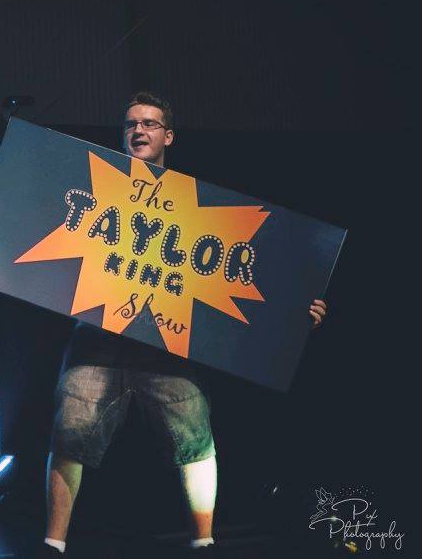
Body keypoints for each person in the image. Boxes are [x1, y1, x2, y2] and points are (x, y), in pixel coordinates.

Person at [38, 92, 328, 556]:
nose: (139, 130)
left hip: (166, 342)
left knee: (195, 435)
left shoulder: (198, 203)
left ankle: (204, 542)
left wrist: (295, 315)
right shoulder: (96, 190)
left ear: (168, 136)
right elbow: (36, 243)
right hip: (99, 337)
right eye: (131, 123)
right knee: (70, 429)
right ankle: (52, 546)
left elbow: (244, 268)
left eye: (150, 123)